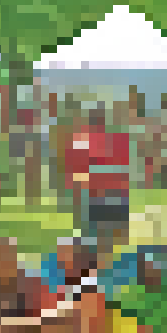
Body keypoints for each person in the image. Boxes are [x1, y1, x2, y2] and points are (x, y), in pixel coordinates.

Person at [64, 106, 133, 258]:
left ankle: (94, 268)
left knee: (94, 239)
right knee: (115, 240)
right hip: (118, 194)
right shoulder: (120, 139)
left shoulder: (83, 138)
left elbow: (77, 169)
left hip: (96, 195)